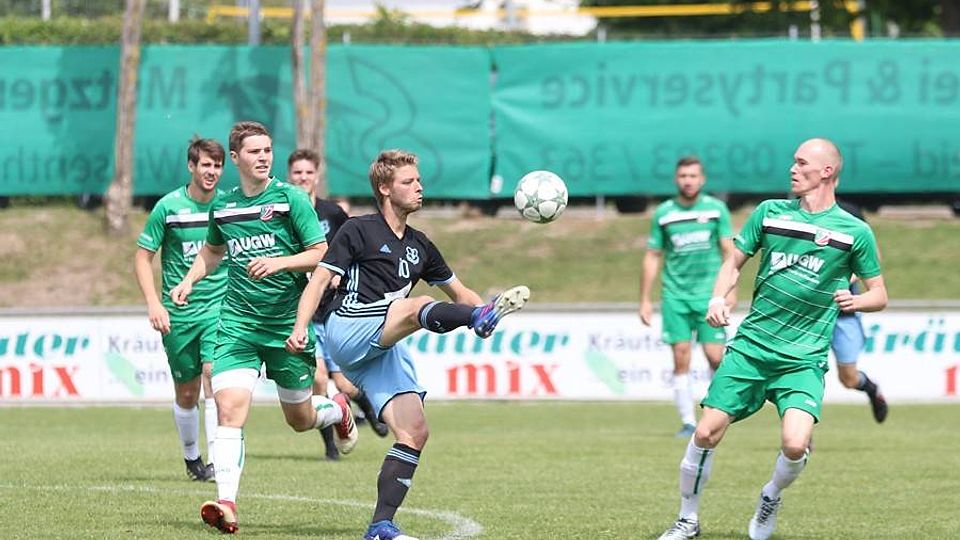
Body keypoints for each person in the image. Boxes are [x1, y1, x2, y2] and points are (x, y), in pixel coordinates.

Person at [286, 149, 530, 540]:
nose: (419, 187)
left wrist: (487, 313)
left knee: (414, 430)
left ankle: (381, 526)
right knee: (413, 306)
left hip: (380, 346)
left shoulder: (420, 245)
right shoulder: (358, 229)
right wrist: (301, 327)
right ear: (385, 188)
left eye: (418, 180)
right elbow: (318, 281)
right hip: (348, 327)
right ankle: (471, 321)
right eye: (408, 181)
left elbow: (460, 293)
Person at [657, 138, 888, 540]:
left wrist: (857, 301)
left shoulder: (855, 231)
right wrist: (718, 297)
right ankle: (687, 520)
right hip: (752, 348)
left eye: (801, 163)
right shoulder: (769, 213)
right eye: (793, 162)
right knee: (706, 432)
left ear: (827, 171)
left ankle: (771, 495)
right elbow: (733, 262)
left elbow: (880, 294)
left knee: (796, 444)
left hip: (803, 357)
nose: (792, 169)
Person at [170, 121, 358, 535]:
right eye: (254, 152)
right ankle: (226, 503)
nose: (263, 157)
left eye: (268, 151)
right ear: (235, 158)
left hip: (287, 326)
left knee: (300, 418)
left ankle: (338, 410)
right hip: (237, 325)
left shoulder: (291, 199)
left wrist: (280, 263)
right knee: (229, 410)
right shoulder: (224, 205)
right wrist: (189, 280)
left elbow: (321, 252)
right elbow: (212, 251)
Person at [287, 148, 390, 462]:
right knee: (319, 379)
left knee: (345, 383)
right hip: (302, 312)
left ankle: (368, 409)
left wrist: (339, 273)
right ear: (289, 176)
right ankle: (331, 446)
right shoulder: (281, 214)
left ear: (317, 175)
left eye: (308, 172)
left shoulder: (332, 214)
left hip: (333, 311)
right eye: (297, 172)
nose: (303, 177)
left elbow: (356, 250)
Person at [134, 137, 227, 482]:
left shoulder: (227, 206)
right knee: (187, 393)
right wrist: (153, 303)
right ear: (191, 166)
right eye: (206, 165)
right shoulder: (168, 207)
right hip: (180, 313)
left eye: (218, 166)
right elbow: (142, 258)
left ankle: (218, 460)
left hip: (220, 306)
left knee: (213, 374)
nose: (212, 172)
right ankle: (192, 458)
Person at [640, 156, 735, 438]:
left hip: (709, 296)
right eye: (683, 176)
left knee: (715, 357)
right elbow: (653, 255)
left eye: (693, 176)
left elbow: (729, 252)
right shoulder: (664, 213)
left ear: (702, 179)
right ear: (676, 179)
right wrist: (645, 299)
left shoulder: (716, 209)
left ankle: (717, 415)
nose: (688, 181)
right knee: (680, 357)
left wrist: (730, 290)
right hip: (676, 296)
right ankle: (688, 422)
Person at [831, 200, 888, 423]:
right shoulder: (793, 211)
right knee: (802, 373)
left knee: (848, 378)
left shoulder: (850, 213)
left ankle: (871, 388)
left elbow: (874, 256)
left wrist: (845, 279)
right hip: (807, 313)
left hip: (843, 313)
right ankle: (801, 434)